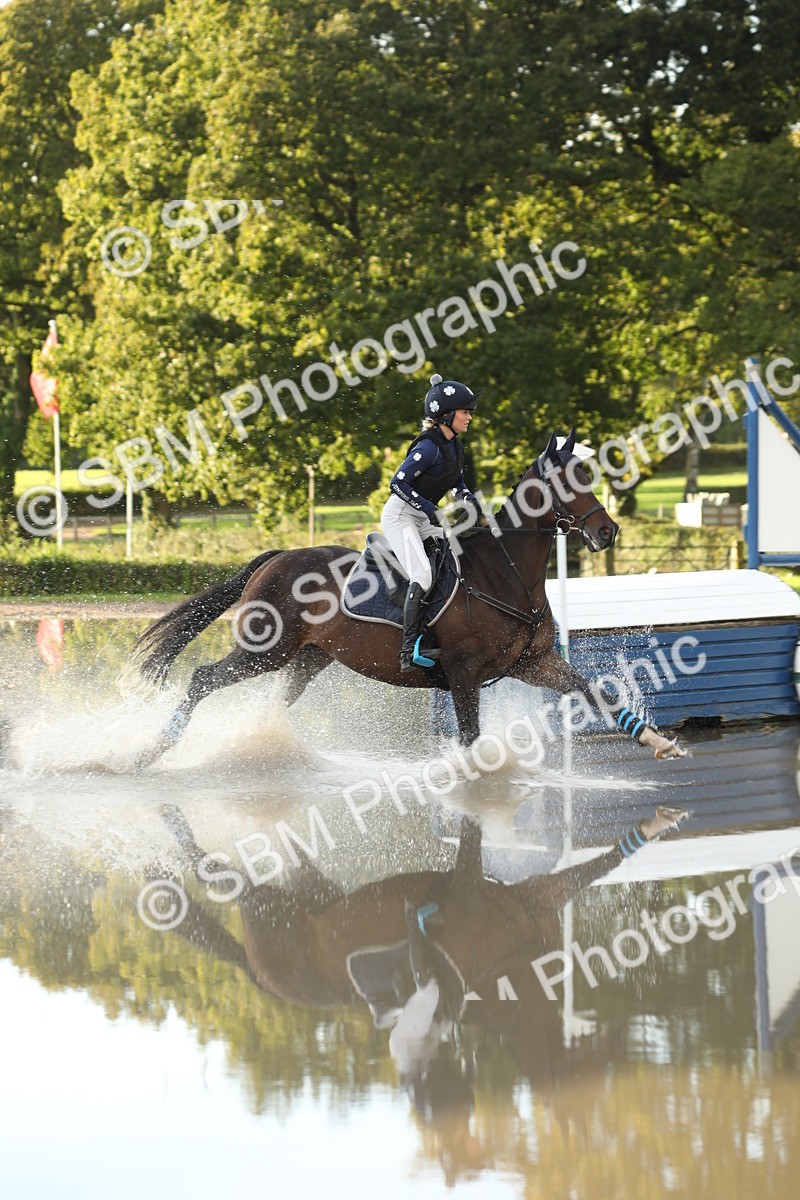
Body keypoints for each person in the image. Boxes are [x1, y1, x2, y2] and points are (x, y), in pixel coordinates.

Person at [382, 373, 481, 670]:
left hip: (422, 517)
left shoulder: (455, 447)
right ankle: (408, 649)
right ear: (447, 415)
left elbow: (456, 485)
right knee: (423, 575)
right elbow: (397, 484)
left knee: (458, 551)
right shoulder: (428, 448)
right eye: (465, 412)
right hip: (400, 516)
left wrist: (471, 503)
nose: (469, 418)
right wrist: (430, 509)